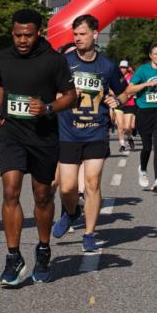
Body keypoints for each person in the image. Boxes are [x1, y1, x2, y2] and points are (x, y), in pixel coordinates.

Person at [0, 8, 76, 287]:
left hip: (43, 136)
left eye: (28, 35)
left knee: (41, 197)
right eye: (17, 35)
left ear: (39, 32)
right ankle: (13, 258)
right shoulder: (2, 58)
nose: (22, 40)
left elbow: (72, 96)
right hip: (12, 133)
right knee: (10, 190)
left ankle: (43, 249)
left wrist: (49, 107)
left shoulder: (54, 61)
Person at [50, 14, 124, 254]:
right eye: (75, 35)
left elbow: (124, 91)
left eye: (82, 34)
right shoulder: (64, 62)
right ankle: (72, 212)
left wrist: (117, 99)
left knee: (92, 183)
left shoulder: (107, 66)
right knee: (67, 188)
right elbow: (51, 95)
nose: (78, 38)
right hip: (69, 131)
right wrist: (66, 95)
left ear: (95, 34)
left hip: (96, 131)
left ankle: (89, 233)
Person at [121, 43, 157, 192]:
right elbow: (129, 89)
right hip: (144, 112)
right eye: (155, 53)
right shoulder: (143, 70)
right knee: (147, 147)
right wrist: (146, 84)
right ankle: (142, 169)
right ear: (150, 55)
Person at [114, 60, 136, 152]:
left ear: (127, 68)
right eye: (121, 67)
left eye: (124, 67)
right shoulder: (116, 78)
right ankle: (122, 144)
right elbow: (111, 88)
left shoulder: (132, 77)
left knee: (127, 127)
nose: (122, 69)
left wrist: (128, 95)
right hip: (119, 104)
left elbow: (135, 90)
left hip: (129, 104)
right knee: (120, 126)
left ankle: (129, 137)